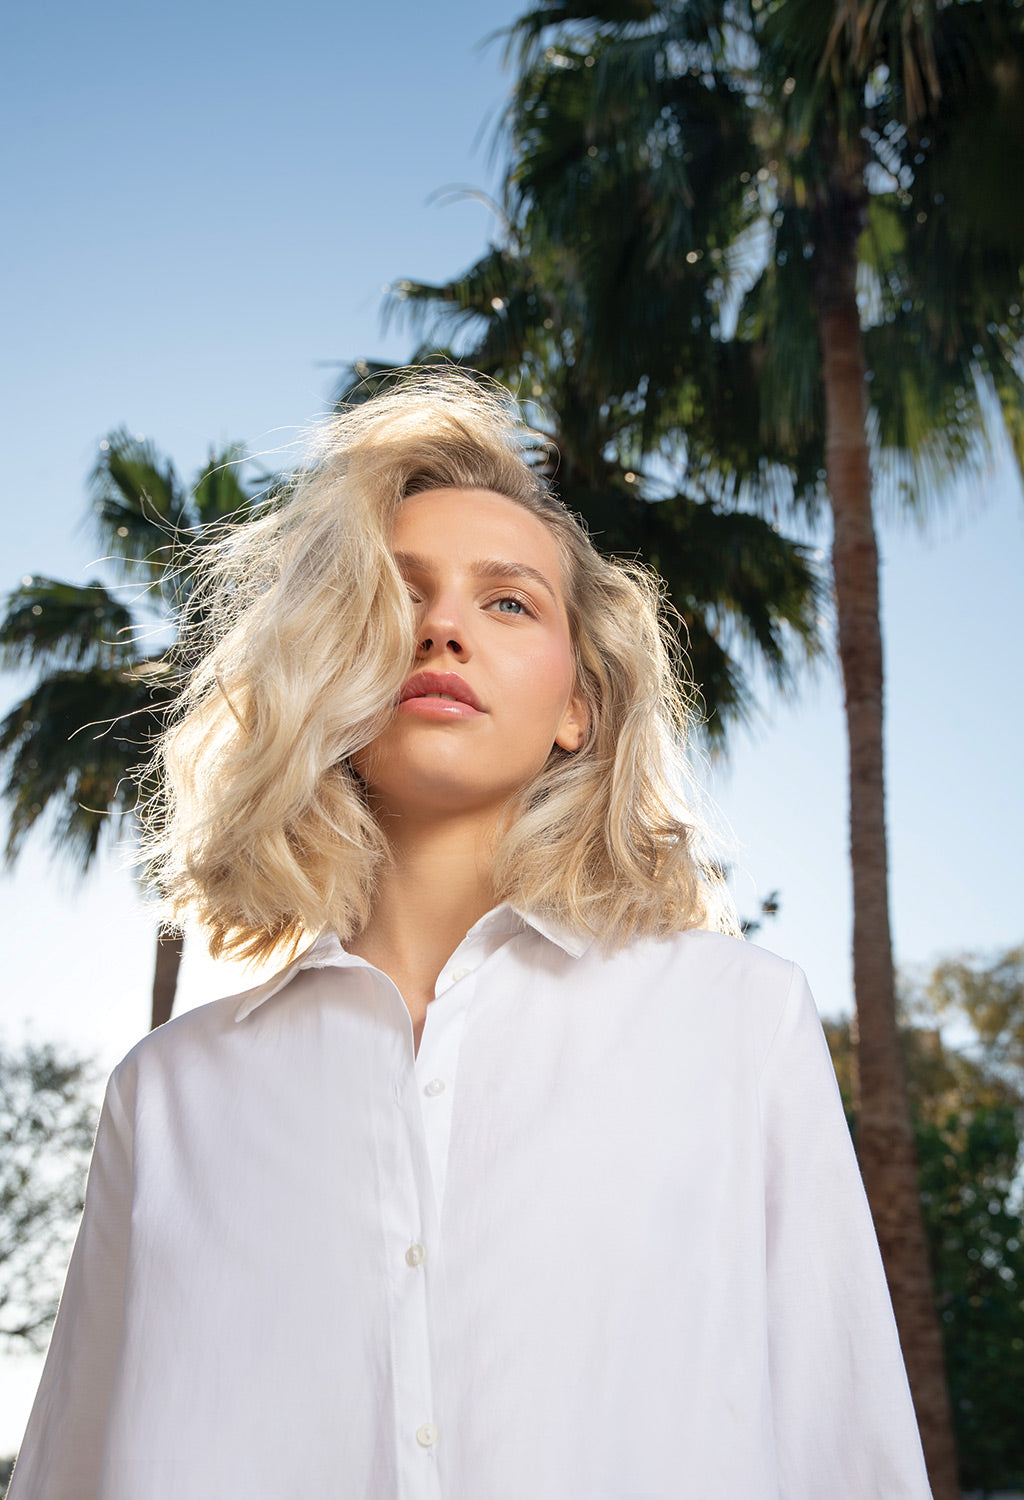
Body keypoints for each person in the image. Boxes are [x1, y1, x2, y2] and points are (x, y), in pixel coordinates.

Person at [9, 374, 933, 1499]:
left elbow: (852, 1455)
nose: (441, 626)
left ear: (575, 708)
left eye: (508, 602)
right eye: (396, 598)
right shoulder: (167, 1098)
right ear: (332, 664)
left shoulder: (738, 1021)